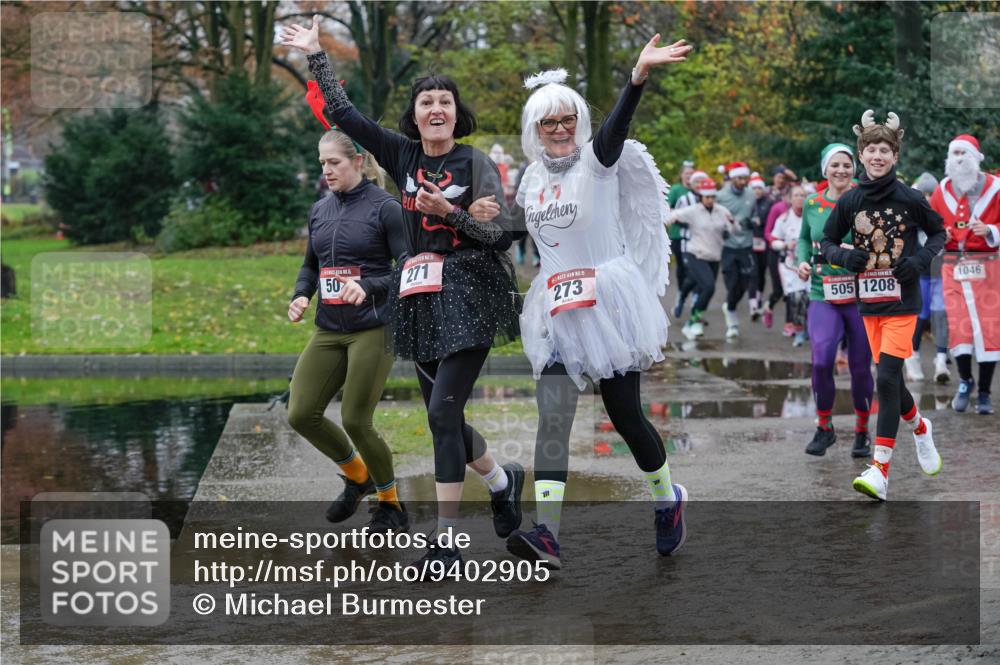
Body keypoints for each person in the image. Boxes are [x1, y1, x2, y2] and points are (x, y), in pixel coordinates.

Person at [281, 17, 526, 570]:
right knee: (447, 417)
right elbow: (344, 115)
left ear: (456, 114)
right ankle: (502, 480)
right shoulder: (403, 157)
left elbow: (499, 236)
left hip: (470, 290)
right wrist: (317, 55)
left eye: (444, 102)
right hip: (421, 297)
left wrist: (453, 213)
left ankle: (445, 541)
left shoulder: (476, 162)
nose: (435, 109)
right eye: (425, 103)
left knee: (442, 414)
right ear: (414, 116)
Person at [506, 34, 693, 569]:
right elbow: (507, 236)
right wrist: (453, 218)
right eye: (549, 123)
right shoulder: (531, 180)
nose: (560, 129)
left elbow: (618, 127)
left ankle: (666, 501)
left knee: (626, 416)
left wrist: (637, 77)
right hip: (557, 306)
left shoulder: (599, 160)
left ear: (580, 124)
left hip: (607, 303)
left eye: (568, 120)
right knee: (553, 417)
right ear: (534, 130)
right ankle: (547, 533)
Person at [288, 129, 410, 532]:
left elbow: (409, 269)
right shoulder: (320, 209)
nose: (327, 170)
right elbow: (311, 265)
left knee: (358, 420)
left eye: (334, 162)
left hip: (373, 327)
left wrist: (370, 285)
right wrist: (302, 294)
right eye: (322, 163)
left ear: (358, 162)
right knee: (301, 413)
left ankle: (391, 503)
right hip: (329, 327)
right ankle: (359, 477)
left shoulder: (386, 208)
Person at [821, 110, 945, 501]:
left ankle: (880, 469)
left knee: (886, 380)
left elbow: (939, 233)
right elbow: (825, 243)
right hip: (869, 303)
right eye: (871, 149)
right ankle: (920, 427)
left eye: (885, 150)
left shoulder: (910, 198)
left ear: (895, 157)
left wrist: (920, 261)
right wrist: (844, 258)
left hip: (903, 302)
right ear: (862, 155)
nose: (878, 156)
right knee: (890, 381)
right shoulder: (851, 199)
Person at [796, 143, 873, 458]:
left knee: (859, 365)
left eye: (846, 165)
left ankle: (862, 431)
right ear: (824, 170)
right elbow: (803, 238)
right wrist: (801, 260)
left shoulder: (866, 199)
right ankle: (824, 427)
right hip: (822, 291)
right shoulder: (813, 203)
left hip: (860, 294)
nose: (841, 170)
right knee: (822, 359)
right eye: (835, 165)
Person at [930, 134, 1000, 414]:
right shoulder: (941, 190)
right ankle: (965, 381)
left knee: (989, 330)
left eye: (964, 153)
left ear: (976, 157)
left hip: (988, 267)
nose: (959, 158)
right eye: (954, 153)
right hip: (954, 266)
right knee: (959, 326)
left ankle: (983, 393)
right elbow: (928, 227)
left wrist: (993, 231)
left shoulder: (996, 188)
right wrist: (940, 234)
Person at [669, 178, 737, 339]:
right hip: (696, 254)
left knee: (702, 286)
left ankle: (693, 320)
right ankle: (693, 319)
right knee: (709, 287)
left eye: (712, 197)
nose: (710, 200)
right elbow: (673, 215)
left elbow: (734, 230)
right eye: (707, 197)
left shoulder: (722, 211)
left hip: (714, 256)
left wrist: (733, 224)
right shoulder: (694, 210)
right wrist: (669, 220)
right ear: (701, 197)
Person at [907, 172, 951, 383]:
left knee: (941, 316)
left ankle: (941, 360)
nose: (927, 197)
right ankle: (913, 356)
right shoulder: (911, 217)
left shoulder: (944, 213)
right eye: (923, 194)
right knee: (921, 316)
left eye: (930, 193)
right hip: (921, 275)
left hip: (941, 273)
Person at [716, 161, 758, 338]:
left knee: (745, 284)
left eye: (745, 178)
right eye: (739, 178)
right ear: (732, 178)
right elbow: (712, 215)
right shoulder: (721, 196)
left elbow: (755, 216)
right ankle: (732, 319)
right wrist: (721, 230)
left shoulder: (751, 194)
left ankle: (730, 306)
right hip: (729, 247)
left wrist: (753, 222)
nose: (742, 181)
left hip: (746, 246)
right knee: (732, 284)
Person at [670, 168, 710, 319]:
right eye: (696, 182)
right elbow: (674, 216)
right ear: (691, 184)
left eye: (702, 182)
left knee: (703, 274)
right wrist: (688, 224)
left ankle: (694, 298)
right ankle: (682, 296)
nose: (699, 185)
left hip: (706, 243)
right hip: (687, 241)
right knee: (690, 272)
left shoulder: (710, 199)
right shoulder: (684, 199)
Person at [771, 186, 809, 346]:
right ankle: (799, 331)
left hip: (809, 265)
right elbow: (773, 241)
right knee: (795, 298)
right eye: (796, 195)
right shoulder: (784, 219)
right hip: (790, 267)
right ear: (790, 199)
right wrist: (786, 245)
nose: (799, 198)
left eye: (802, 195)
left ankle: (810, 329)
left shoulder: (812, 217)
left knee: (809, 299)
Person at [667, 160, 695, 303]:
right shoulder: (676, 189)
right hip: (678, 234)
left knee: (694, 266)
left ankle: (693, 293)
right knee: (682, 266)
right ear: (682, 175)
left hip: (695, 235)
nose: (689, 176)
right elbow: (666, 207)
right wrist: (679, 215)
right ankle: (680, 292)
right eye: (686, 173)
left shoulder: (697, 190)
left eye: (691, 173)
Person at [749, 172, 773, 320]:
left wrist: (760, 221)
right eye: (754, 188)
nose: (757, 191)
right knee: (753, 273)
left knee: (761, 274)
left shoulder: (769, 202)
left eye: (759, 188)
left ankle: (758, 298)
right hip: (750, 243)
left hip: (764, 243)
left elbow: (769, 222)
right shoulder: (747, 202)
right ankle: (753, 306)